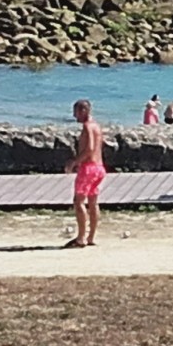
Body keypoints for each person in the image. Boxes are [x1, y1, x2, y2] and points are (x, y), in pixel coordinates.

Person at [63, 99, 105, 249]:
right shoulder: (97, 126)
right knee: (93, 202)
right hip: (99, 167)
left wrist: (74, 162)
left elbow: (90, 149)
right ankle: (91, 236)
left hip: (89, 168)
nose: (75, 117)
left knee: (79, 201)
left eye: (76, 112)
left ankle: (81, 238)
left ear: (84, 111)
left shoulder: (87, 127)